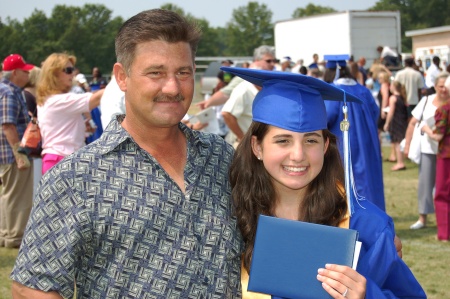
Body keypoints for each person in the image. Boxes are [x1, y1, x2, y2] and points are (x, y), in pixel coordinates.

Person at [11, 9, 243, 298]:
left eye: (183, 72)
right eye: (156, 73)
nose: (172, 87)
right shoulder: (75, 178)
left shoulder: (220, 156)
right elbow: (31, 287)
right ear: (122, 76)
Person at [226, 67, 426, 298]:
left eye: (311, 140)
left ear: (324, 146)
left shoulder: (366, 226)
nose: (298, 155)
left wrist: (367, 295)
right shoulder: (231, 217)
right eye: (283, 141)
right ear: (257, 147)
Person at [323, 55, 385, 211]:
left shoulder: (333, 92)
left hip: (344, 143)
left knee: (347, 179)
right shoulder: (363, 90)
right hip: (368, 144)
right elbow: (375, 113)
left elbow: (326, 118)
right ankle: (373, 216)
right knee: (369, 181)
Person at [35, 53, 105, 174]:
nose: (73, 74)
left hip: (57, 159)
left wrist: (82, 129)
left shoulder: (49, 99)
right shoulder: (58, 100)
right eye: (68, 70)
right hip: (63, 160)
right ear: (54, 73)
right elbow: (97, 98)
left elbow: (59, 130)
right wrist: (121, 81)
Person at [404, 73, 449, 229]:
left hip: (446, 150)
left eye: (446, 86)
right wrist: (408, 144)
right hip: (428, 148)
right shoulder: (426, 101)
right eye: (440, 86)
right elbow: (412, 123)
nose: (443, 89)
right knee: (425, 184)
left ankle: (444, 219)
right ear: (435, 86)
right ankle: (423, 218)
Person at [0, 54, 35, 249]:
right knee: (17, 195)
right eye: (24, 70)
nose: (27, 73)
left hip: (6, 151)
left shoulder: (7, 90)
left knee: (8, 194)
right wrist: (19, 154)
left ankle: (6, 234)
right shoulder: (8, 92)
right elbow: (8, 126)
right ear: (14, 73)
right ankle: (14, 236)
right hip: (11, 151)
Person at [221, 45, 276, 146]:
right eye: (268, 61)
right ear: (256, 61)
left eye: (274, 61)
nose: (273, 64)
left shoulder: (270, 88)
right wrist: (243, 139)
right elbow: (227, 114)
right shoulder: (244, 89)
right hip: (246, 147)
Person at [421, 75, 450, 241]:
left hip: (446, 155)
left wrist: (426, 128)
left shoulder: (444, 109)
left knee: (442, 194)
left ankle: (444, 233)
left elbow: (438, 136)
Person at [384, 81, 408, 171]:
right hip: (402, 121)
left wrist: (387, 123)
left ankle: (400, 163)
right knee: (400, 142)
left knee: (397, 143)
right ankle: (401, 161)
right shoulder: (402, 97)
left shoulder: (393, 98)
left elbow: (391, 112)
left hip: (396, 122)